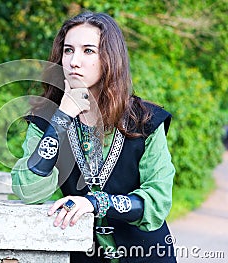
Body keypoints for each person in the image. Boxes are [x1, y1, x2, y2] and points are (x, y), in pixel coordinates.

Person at [11, 11, 176, 263]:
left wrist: (97, 203)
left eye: (88, 51)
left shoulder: (145, 121)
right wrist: (62, 116)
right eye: (68, 50)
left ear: (110, 58)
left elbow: (157, 201)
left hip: (146, 255)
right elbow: (29, 190)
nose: (74, 61)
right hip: (82, 256)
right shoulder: (45, 120)